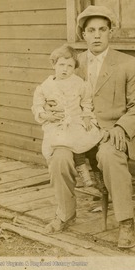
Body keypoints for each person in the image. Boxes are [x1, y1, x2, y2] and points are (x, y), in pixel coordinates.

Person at [45, 5, 135, 248]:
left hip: (111, 132)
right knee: (59, 156)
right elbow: (55, 93)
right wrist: (52, 109)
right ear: (84, 35)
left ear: (110, 31)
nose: (97, 35)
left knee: (110, 155)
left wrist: (122, 129)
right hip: (76, 134)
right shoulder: (73, 63)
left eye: (103, 29)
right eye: (91, 30)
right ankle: (66, 214)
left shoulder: (127, 63)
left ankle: (125, 222)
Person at [31, 44, 103, 190]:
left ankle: (96, 173)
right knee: (65, 143)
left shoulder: (79, 84)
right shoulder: (45, 86)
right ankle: (81, 169)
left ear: (74, 67)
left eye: (70, 66)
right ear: (54, 65)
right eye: (61, 65)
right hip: (57, 124)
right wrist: (46, 115)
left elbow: (86, 101)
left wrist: (87, 116)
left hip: (76, 120)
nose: (65, 69)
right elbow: (37, 106)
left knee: (90, 138)